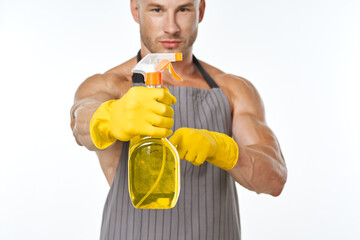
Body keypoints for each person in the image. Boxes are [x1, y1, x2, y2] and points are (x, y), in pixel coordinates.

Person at [70, 0, 287, 239]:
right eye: (157, 10)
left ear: (200, 10)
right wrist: (110, 118)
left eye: (183, 9)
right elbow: (81, 123)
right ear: (136, 10)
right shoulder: (111, 85)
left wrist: (222, 149)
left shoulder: (233, 90)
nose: (171, 27)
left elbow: (274, 179)